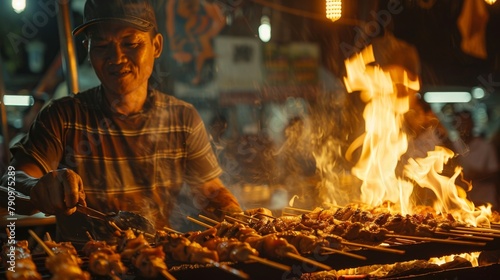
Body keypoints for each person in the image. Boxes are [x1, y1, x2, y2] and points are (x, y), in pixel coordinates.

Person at [0, 0, 241, 246]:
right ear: (88, 49)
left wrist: (236, 214)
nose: (116, 57)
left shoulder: (183, 119)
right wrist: (37, 187)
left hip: (155, 263)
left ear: (156, 45)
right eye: (102, 45)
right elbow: (9, 183)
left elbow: (210, 191)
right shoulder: (62, 117)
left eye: (131, 43)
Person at [451, 110, 499, 210]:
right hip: (462, 203)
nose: (463, 127)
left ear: (472, 125)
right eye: (459, 123)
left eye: (466, 123)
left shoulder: (485, 146)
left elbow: (496, 174)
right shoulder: (454, 146)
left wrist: (476, 176)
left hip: (485, 202)